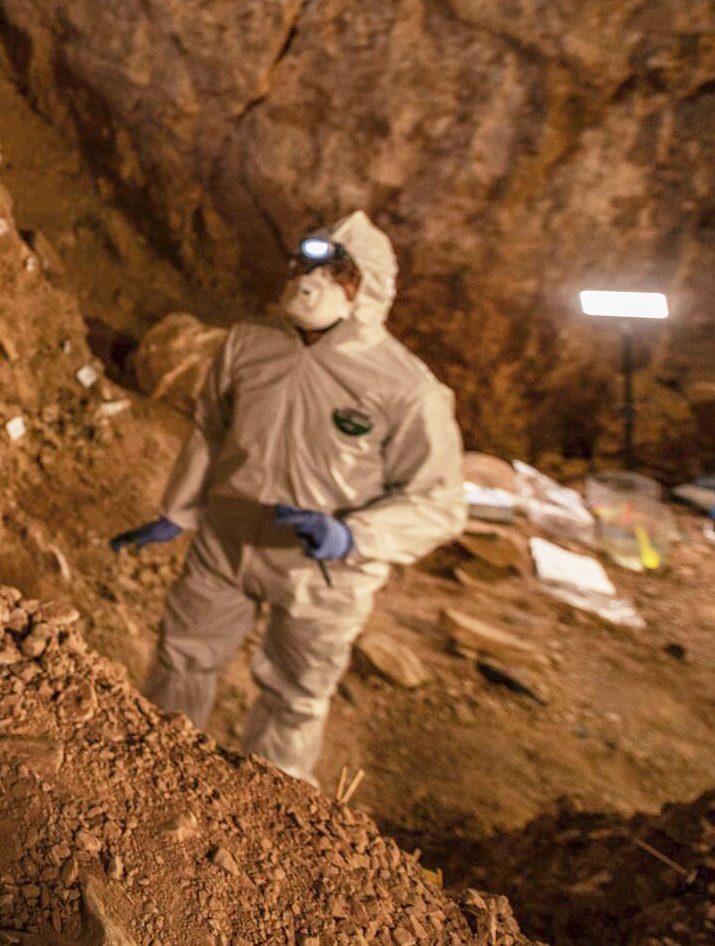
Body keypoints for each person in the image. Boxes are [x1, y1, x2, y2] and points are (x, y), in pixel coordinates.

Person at [109, 211, 464, 781]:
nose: (311, 281)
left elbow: (439, 501)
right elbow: (210, 429)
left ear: (367, 287)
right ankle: (154, 783)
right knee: (182, 661)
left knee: (293, 699)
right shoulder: (248, 344)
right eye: (307, 264)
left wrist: (355, 535)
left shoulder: (407, 389)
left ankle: (272, 816)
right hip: (226, 542)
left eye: (336, 271)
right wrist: (178, 511)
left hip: (321, 573)